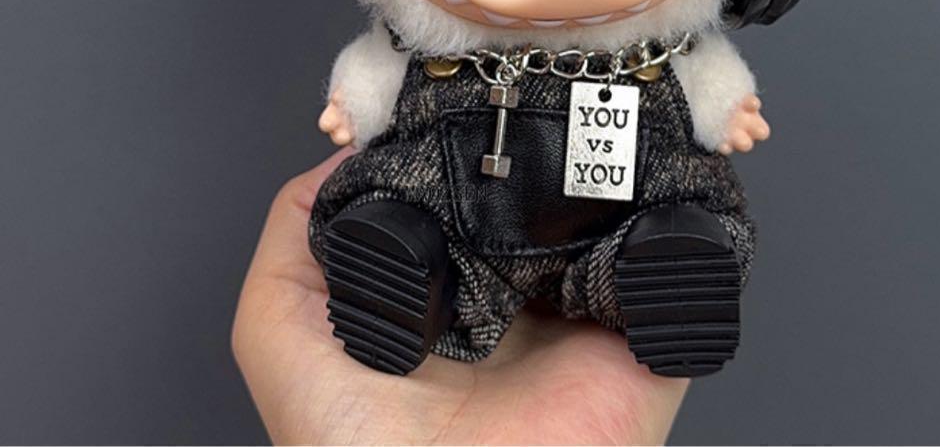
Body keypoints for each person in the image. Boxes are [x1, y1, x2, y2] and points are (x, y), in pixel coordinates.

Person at [232, 149, 690, 445]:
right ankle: (415, 258)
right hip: (471, 189)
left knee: (672, 190)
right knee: (412, 185)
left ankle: (664, 255)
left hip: (582, 202)